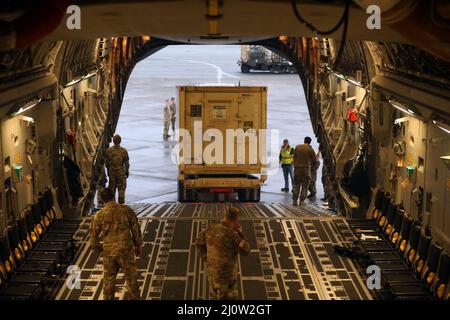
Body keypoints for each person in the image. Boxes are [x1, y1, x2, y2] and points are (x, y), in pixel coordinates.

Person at [89, 188, 143, 300]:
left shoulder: (99, 215)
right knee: (131, 279)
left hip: (109, 252)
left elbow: (93, 238)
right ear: (114, 196)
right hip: (126, 250)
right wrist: (138, 245)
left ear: (102, 201)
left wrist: (101, 249)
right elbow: (135, 229)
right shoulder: (126, 210)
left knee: (109, 280)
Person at [195, 207, 250, 300]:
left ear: (224, 216)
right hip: (226, 279)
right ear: (235, 220)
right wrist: (241, 233)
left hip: (212, 276)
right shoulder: (233, 236)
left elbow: (198, 241)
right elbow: (246, 250)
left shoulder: (210, 229)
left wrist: (207, 258)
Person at [104, 134, 130, 204]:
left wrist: (108, 171)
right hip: (121, 172)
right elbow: (126, 163)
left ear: (113, 141)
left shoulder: (108, 151)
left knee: (112, 189)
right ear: (120, 141)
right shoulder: (124, 151)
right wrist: (127, 172)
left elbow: (106, 163)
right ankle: (121, 205)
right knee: (121, 189)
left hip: (112, 172)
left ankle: (112, 205)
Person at [292, 136, 317, 206]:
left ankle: (294, 201)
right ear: (310, 142)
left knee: (296, 185)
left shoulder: (297, 147)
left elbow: (294, 158)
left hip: (297, 169)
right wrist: (313, 169)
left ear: (304, 141)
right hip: (306, 170)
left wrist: (295, 166)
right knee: (305, 186)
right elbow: (316, 161)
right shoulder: (310, 149)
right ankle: (302, 201)